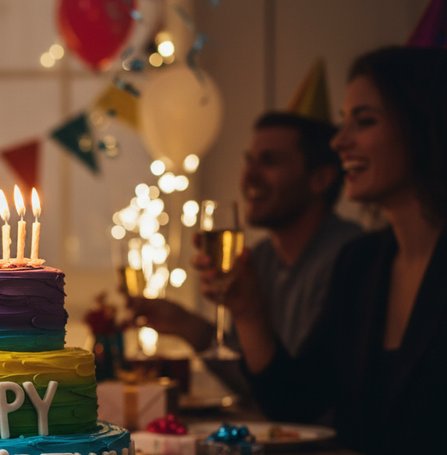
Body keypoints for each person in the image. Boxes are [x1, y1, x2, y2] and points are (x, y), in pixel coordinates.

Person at [217, 46, 447, 455]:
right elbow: (297, 405)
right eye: (344, 121)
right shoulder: (361, 263)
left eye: (365, 121)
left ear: (424, 127)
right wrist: (248, 312)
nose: (339, 141)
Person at [129, 112, 361, 367]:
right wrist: (184, 324)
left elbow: (303, 386)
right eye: (249, 161)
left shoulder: (352, 258)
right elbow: (252, 377)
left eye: (269, 161)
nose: (248, 175)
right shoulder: (261, 257)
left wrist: (248, 313)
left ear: (320, 179)